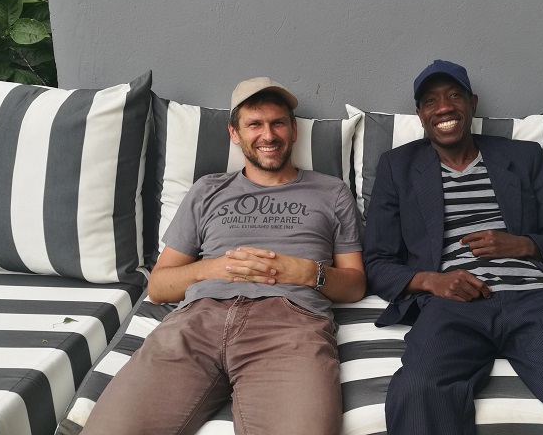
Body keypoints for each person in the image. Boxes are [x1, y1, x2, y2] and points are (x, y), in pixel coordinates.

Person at [363, 60, 543, 435]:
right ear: (420, 114)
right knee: (418, 395)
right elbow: (378, 261)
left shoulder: (523, 157)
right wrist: (433, 282)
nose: (444, 107)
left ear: (472, 103)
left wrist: (523, 244)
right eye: (431, 100)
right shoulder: (398, 167)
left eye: (454, 95)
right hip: (453, 304)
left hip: (537, 301)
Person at [82, 77, 366, 435]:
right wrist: (214, 268)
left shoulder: (331, 192)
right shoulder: (207, 189)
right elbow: (159, 287)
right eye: (254, 124)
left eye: (278, 123)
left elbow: (355, 285)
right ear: (235, 133)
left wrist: (306, 272)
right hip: (196, 323)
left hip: (290, 325)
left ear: (294, 131)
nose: (268, 135)